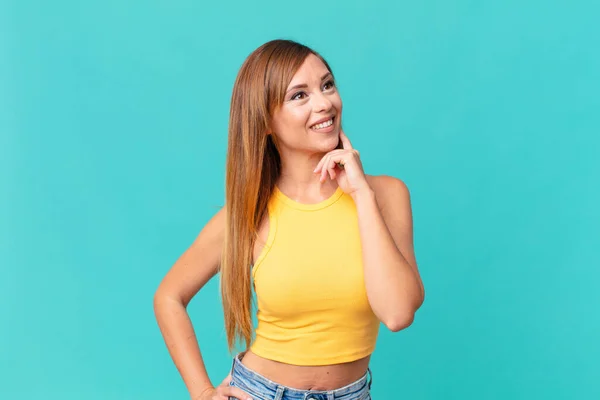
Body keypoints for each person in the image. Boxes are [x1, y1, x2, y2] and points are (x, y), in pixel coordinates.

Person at [153, 39, 425, 400]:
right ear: (265, 121)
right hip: (259, 392)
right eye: (299, 95)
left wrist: (361, 195)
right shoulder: (248, 216)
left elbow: (397, 313)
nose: (324, 102)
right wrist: (202, 393)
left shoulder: (386, 195)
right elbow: (168, 297)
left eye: (327, 85)